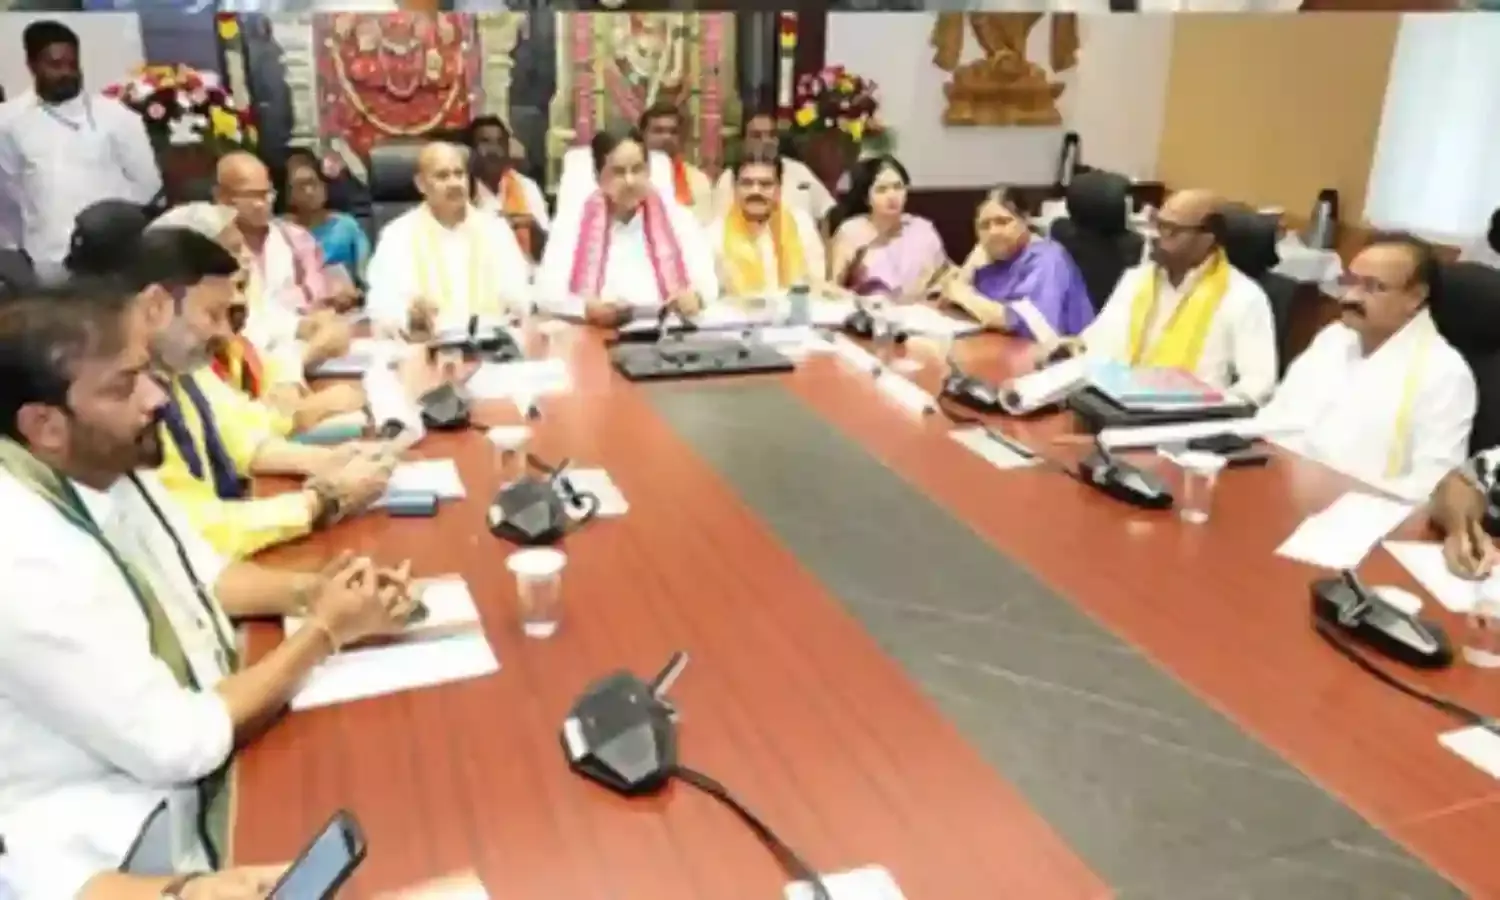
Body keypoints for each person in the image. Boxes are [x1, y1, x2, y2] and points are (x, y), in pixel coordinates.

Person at [0, 280, 416, 899]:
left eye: (146, 372)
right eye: (124, 386)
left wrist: (321, 591)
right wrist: (324, 633)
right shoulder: (24, 558)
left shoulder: (103, 465)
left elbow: (208, 578)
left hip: (214, 745)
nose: (156, 397)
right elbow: (179, 743)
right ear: (45, 425)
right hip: (131, 847)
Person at [126, 226, 394, 560]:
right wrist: (321, 501)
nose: (225, 333)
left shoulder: (177, 366)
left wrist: (330, 461)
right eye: (212, 315)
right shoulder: (125, 401)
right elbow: (190, 531)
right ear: (155, 307)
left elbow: (241, 437)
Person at [1259, 233, 1474, 501]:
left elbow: (1434, 484)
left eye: (1372, 287)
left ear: (1415, 297)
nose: (1350, 297)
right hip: (1286, 487)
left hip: (1370, 510)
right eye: (1350, 281)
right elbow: (1276, 419)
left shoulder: (1445, 373)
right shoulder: (1334, 338)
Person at [143, 202, 366, 436]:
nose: (248, 258)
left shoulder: (238, 297)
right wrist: (309, 409)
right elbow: (236, 435)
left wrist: (290, 377)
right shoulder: (179, 356)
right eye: (235, 250)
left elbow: (274, 348)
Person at [1040, 189, 1279, 403]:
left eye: (1171, 230)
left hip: (1186, 419)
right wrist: (1071, 349)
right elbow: (1098, 342)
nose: (1154, 236)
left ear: (1208, 237)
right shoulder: (1136, 279)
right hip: (1114, 404)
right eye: (1157, 223)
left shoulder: (1242, 296)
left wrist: (1213, 409)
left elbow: (1258, 386)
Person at [0, 21, 161, 282]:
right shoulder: (9, 122)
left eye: (72, 64)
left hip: (113, 259)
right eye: (55, 65)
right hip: (47, 262)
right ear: (31, 65)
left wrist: (108, 221)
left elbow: (149, 186)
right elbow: (8, 196)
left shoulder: (116, 116)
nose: (67, 72)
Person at [536, 128, 718, 327]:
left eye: (637, 169)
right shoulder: (572, 223)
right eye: (619, 172)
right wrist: (584, 309)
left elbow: (708, 284)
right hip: (594, 331)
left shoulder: (679, 219)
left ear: (649, 171)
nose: (630, 181)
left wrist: (695, 297)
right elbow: (545, 293)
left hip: (665, 332)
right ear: (598, 176)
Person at [365, 141, 532, 339]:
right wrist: (409, 316)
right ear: (421, 184)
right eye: (442, 176)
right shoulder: (398, 235)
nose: (454, 183)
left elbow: (520, 296)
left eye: (459, 174)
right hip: (425, 347)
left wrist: (517, 307)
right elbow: (380, 306)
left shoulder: (495, 230)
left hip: (489, 347)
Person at [942, 186, 1094, 339]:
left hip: (1057, 350)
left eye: (1002, 222)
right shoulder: (991, 256)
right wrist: (964, 275)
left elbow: (1031, 327)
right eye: (984, 225)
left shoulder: (1048, 260)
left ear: (1025, 220)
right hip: (1001, 344)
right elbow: (955, 292)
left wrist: (963, 295)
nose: (993, 232)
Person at [707, 149, 828, 303]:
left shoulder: (800, 225)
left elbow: (817, 285)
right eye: (747, 183)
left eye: (765, 184)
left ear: (779, 189)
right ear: (735, 188)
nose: (755, 191)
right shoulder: (715, 236)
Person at [828, 155, 950, 299]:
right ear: (866, 198)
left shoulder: (923, 230)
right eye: (882, 189)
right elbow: (832, 288)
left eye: (898, 187)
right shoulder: (851, 232)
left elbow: (945, 277)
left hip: (920, 309)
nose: (892, 196)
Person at [710, 109, 835, 225]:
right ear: (744, 141)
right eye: (756, 135)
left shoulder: (800, 172)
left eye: (771, 135)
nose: (765, 141)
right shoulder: (729, 178)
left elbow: (827, 213)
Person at [280, 147, 371, 285]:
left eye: (312, 183)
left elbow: (367, 276)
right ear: (288, 194)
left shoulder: (346, 227)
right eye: (300, 186)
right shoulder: (279, 232)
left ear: (324, 186)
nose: (309, 191)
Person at [467, 114, 549, 259]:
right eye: (485, 142)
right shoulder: (463, 189)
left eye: (500, 142)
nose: (494, 149)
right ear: (471, 150)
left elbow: (547, 252)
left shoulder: (526, 187)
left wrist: (529, 224)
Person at [639, 102, 713, 224]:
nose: (667, 137)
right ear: (643, 135)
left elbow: (703, 225)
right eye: (658, 131)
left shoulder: (698, 180)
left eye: (673, 132)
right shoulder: (630, 175)